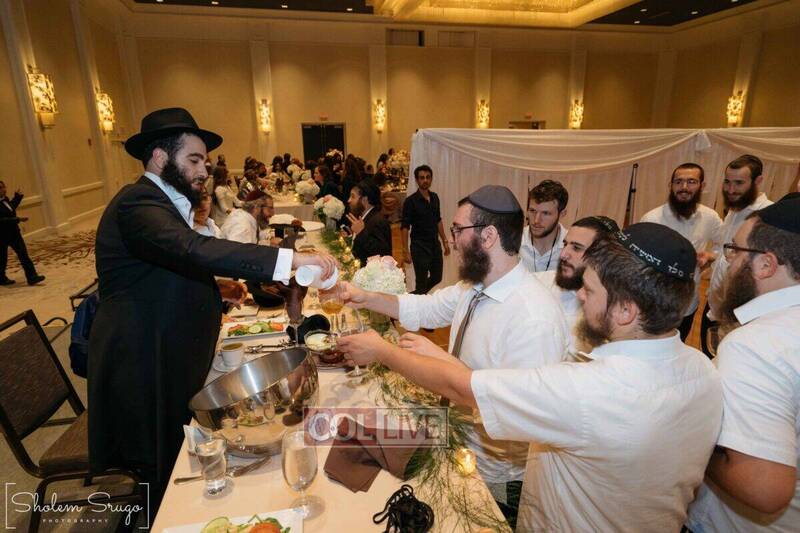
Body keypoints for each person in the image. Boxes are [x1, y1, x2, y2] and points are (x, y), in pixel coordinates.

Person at [339, 222, 722, 532]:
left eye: (590, 291)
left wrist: (382, 351)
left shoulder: (590, 390)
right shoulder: (704, 370)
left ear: (625, 310)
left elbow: (464, 389)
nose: (580, 297)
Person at [88, 108, 336, 515]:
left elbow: (160, 267)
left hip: (170, 350)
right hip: (144, 357)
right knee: (160, 465)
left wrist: (214, 287)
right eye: (194, 159)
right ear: (159, 157)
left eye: (204, 160)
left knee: (178, 452)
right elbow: (190, 248)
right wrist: (289, 259)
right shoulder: (137, 202)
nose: (204, 170)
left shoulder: (163, 202)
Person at [341, 185, 568, 528]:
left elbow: (507, 410)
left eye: (458, 229)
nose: (452, 239)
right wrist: (364, 297)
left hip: (494, 474)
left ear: (488, 236)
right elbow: (427, 308)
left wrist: (390, 353)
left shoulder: (534, 318)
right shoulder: (476, 285)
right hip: (457, 442)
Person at [687, 196, 800, 532]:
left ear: (765, 264)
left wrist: (686, 437)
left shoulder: (757, 346)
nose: (729, 263)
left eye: (735, 251)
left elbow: (763, 486)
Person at [701, 155, 773, 356]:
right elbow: (728, 251)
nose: (731, 190)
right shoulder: (734, 210)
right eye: (727, 182)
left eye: (739, 183)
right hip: (716, 305)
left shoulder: (767, 215)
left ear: (758, 181)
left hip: (741, 312)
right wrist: (712, 256)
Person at [641, 163, 722, 341]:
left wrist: (711, 256)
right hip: (653, 303)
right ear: (670, 186)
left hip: (688, 304)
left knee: (678, 345)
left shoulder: (710, 217)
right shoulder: (651, 218)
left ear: (702, 185)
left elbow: (725, 246)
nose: (684, 187)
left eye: (691, 182)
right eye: (678, 182)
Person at [535, 215, 619, 356]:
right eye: (565, 244)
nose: (563, 254)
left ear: (603, 257)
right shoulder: (537, 283)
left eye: (576, 248)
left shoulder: (610, 313)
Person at [400, 165, 450, 294]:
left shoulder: (435, 198)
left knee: (437, 277)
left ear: (431, 179)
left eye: (428, 177)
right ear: (417, 180)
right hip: (419, 247)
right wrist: (405, 250)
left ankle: (414, 297)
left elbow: (438, 220)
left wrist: (444, 240)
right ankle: (416, 300)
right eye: (422, 178)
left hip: (435, 245)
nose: (425, 180)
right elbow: (405, 227)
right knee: (421, 284)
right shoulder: (410, 201)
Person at [0, 180, 44, 286]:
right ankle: (1, 278)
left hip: (14, 233)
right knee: (2, 258)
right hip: (1, 235)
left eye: (3, 187)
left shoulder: (5, 199)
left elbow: (10, 208)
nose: (3, 189)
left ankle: (32, 277)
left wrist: (17, 197)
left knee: (23, 254)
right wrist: (17, 219)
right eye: (0, 188)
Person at [520, 179, 569, 273]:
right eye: (532, 211)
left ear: (562, 214)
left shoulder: (573, 247)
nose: (536, 220)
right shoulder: (514, 240)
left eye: (546, 213)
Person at [345, 180, 391, 264]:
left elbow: (382, 253)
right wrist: (351, 235)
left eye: (353, 196)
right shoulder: (364, 217)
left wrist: (361, 233)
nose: (349, 200)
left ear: (364, 199)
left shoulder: (378, 221)